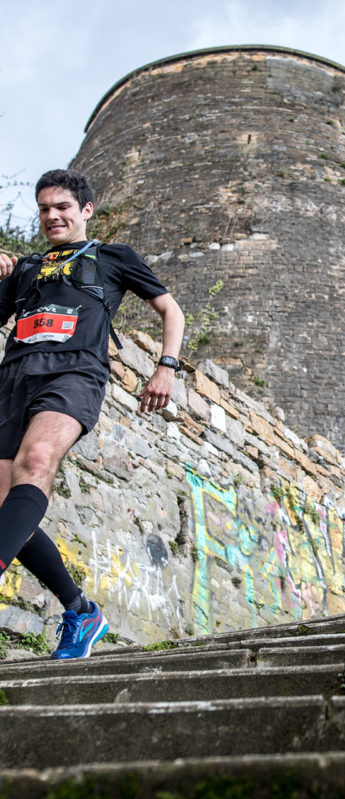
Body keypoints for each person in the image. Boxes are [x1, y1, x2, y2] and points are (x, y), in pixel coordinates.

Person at [0, 169, 185, 659]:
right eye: (43, 209)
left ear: (85, 210)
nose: (52, 216)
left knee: (37, 460)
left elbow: (171, 310)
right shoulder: (25, 268)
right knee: (5, 511)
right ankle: (80, 610)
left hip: (74, 374)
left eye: (62, 206)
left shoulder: (113, 257)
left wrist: (166, 366)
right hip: (13, 379)